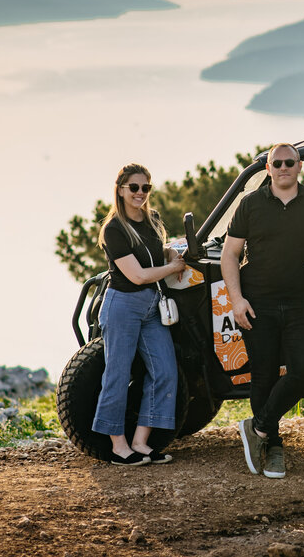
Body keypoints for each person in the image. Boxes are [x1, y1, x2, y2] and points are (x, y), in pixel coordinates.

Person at [222, 143, 304, 479]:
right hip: (257, 302)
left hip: (299, 302)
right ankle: (273, 446)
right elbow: (229, 255)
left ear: (299, 166)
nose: (283, 168)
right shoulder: (250, 204)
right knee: (263, 376)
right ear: (268, 168)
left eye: (289, 162)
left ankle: (257, 428)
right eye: (276, 163)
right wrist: (236, 300)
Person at [92, 162, 186, 466]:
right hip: (123, 305)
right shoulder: (114, 229)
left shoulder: (152, 219)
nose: (140, 193)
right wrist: (172, 268)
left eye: (146, 187)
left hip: (150, 305)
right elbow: (137, 275)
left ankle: (140, 442)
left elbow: (158, 249)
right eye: (134, 187)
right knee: (117, 375)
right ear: (120, 190)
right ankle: (118, 447)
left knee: (165, 371)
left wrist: (170, 253)